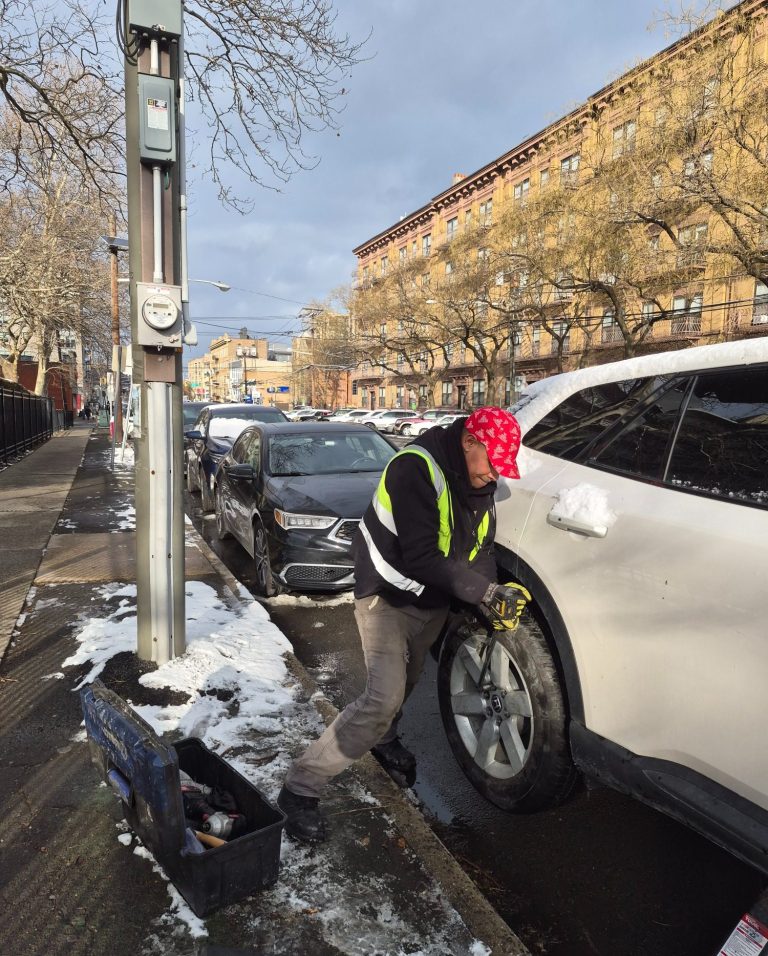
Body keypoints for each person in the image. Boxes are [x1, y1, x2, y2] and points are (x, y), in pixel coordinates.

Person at [278, 406, 529, 842]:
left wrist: (484, 595)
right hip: (388, 596)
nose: (494, 476)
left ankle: (384, 739)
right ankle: (300, 788)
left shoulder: (479, 481)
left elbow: (481, 547)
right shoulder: (415, 468)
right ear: (470, 441)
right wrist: (483, 593)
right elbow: (422, 557)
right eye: (492, 463)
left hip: (430, 600)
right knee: (381, 698)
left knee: (405, 685)